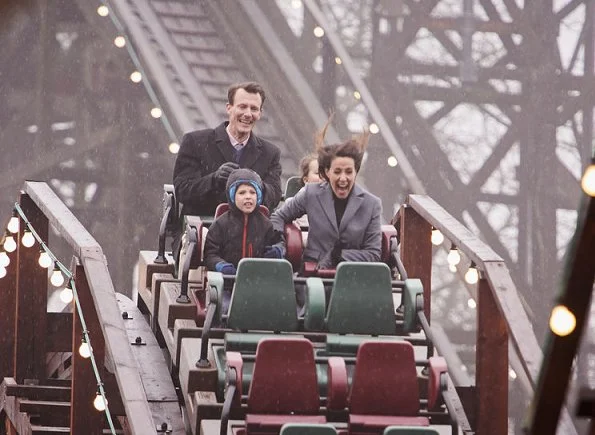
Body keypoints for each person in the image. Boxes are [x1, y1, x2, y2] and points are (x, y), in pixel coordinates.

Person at [172, 82, 283, 263]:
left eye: (254, 109)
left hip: (250, 236)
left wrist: (255, 184)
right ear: (229, 108)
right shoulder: (195, 141)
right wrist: (213, 179)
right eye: (242, 107)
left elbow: (274, 195)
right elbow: (183, 190)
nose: (248, 114)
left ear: (260, 114)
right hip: (201, 230)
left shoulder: (270, 153)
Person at [270, 118, 382, 272]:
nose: (343, 178)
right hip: (313, 272)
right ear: (327, 172)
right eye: (337, 172)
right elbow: (278, 217)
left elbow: (373, 253)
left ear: (356, 172)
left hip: (352, 276)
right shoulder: (311, 193)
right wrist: (281, 244)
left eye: (349, 172)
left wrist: (339, 256)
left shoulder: (372, 204)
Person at [204, 168, 282, 312]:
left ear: (258, 196)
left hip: (257, 284)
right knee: (226, 309)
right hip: (226, 285)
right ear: (232, 196)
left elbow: (278, 242)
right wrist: (221, 266)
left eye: (253, 192)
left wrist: (277, 251)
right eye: (242, 193)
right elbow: (209, 254)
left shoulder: (265, 224)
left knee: (271, 309)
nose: (248, 197)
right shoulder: (221, 224)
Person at [293, 153, 321, 229]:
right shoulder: (296, 202)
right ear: (306, 179)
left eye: (325, 173)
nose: (323, 177)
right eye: (318, 173)